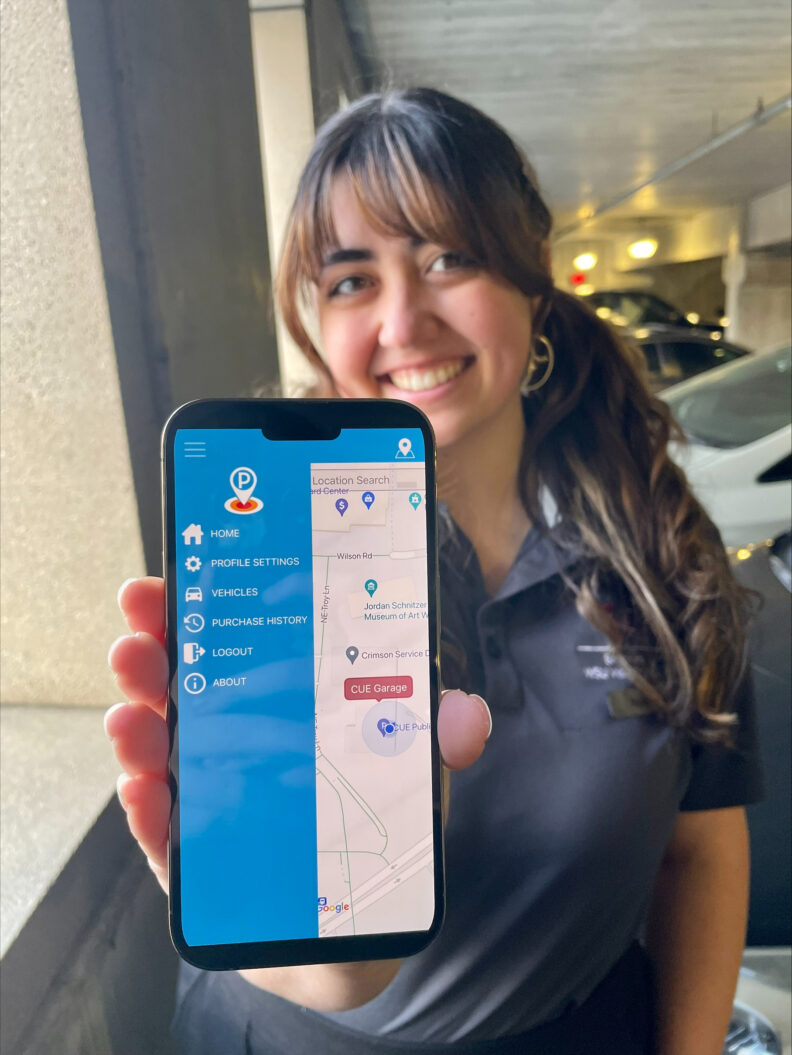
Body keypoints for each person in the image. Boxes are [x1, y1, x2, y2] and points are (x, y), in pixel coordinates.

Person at [106, 88, 763, 1055]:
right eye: (351, 280)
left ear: (533, 283)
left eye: (448, 258)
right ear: (317, 326)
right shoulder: (270, 551)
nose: (405, 321)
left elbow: (701, 847)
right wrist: (327, 958)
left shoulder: (659, 547)